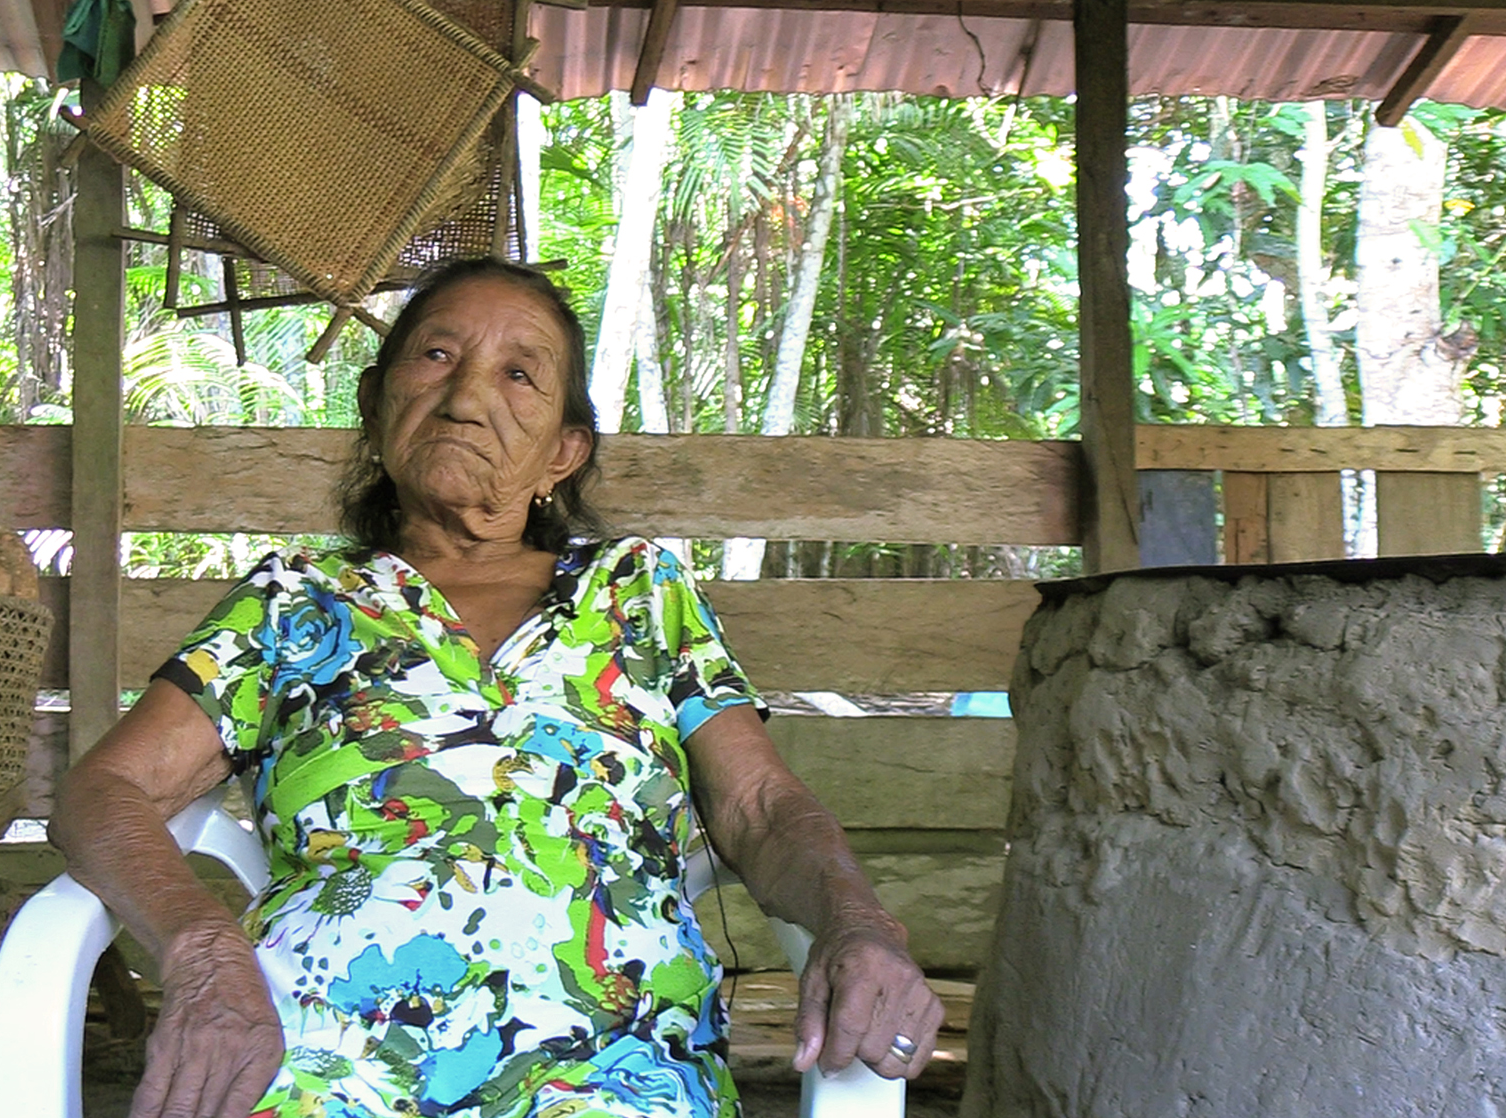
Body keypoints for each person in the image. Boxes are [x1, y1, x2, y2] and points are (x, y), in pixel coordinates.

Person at [49, 258, 943, 1118]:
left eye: (519, 374)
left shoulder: (638, 591)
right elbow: (104, 790)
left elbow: (758, 804)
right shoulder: (294, 601)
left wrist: (859, 921)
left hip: (617, 1059)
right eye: (436, 355)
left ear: (563, 450)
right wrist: (201, 947)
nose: (467, 395)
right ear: (375, 401)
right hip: (314, 1048)